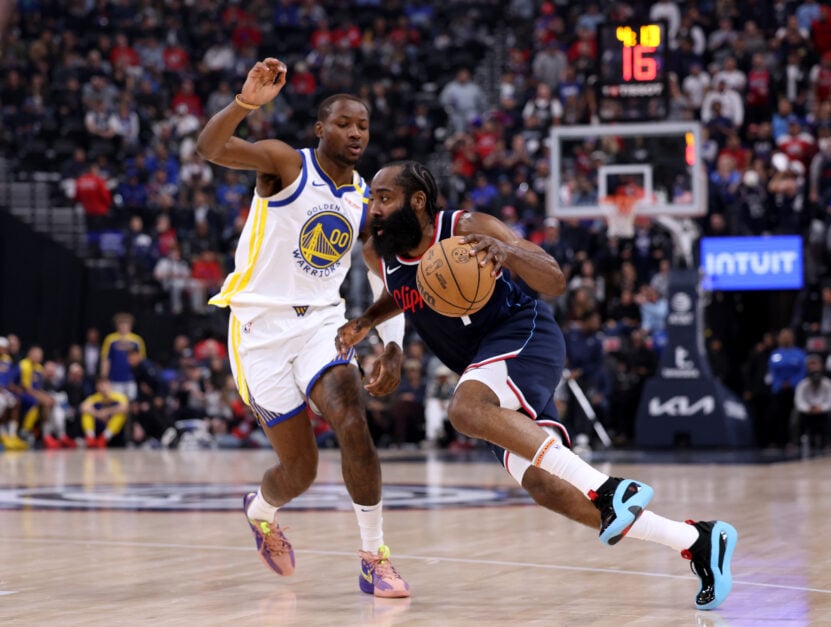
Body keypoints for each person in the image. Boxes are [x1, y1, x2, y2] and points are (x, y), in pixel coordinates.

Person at [336, 160, 738, 611]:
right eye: (372, 198)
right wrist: (371, 324)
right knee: (548, 487)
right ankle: (698, 541)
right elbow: (403, 293)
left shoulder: (468, 227)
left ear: (417, 201)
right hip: (483, 369)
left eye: (384, 198)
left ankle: (610, 489)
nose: (374, 207)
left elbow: (554, 278)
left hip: (523, 334)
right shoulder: (377, 251)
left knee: (464, 409)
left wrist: (506, 253)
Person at [195, 57, 409, 597]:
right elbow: (210, 148)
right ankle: (261, 512)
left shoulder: (365, 199)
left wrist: (392, 343)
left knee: (352, 419)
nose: (355, 133)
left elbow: (384, 274)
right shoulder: (286, 164)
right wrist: (244, 104)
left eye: (363, 126)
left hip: (322, 324)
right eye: (344, 123)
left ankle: (374, 557)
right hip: (260, 329)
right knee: (301, 471)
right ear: (320, 129)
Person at [793, 353, 831, 451]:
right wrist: (808, 408)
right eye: (811, 364)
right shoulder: (802, 384)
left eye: (815, 364)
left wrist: (821, 408)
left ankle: (827, 443)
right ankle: (796, 443)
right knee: (796, 416)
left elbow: (829, 401)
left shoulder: (827, 383)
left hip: (823, 411)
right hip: (808, 411)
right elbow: (799, 401)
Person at [79, 377, 129, 448]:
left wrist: (106, 412)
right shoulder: (95, 397)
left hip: (112, 427)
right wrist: (98, 414)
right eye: (100, 384)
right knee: (86, 414)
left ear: (110, 385)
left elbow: (125, 407)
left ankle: (104, 438)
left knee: (120, 414)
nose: (103, 387)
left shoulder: (118, 396)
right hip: (98, 424)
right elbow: (83, 407)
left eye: (105, 384)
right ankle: (90, 438)